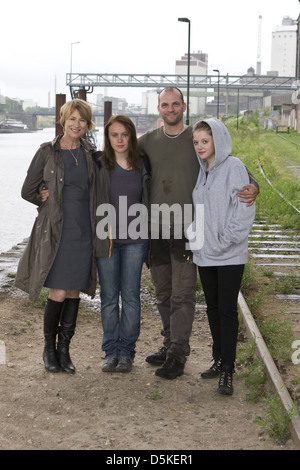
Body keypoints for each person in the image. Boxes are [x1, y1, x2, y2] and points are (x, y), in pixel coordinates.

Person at [138, 86, 258, 380]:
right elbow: (117, 159)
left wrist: (255, 185)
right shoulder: (147, 143)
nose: (170, 109)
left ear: (184, 106)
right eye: (165, 104)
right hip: (157, 231)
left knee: (183, 296)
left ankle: (179, 355)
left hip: (188, 236)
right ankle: (170, 346)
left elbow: (233, 170)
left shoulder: (200, 140)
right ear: (159, 109)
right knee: (164, 295)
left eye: (175, 104)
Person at [15, 99, 97, 374]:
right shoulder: (47, 152)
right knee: (59, 290)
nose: (76, 124)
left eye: (82, 120)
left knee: (74, 290)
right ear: (63, 120)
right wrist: (42, 196)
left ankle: (65, 351)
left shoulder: (90, 153)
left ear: (87, 125)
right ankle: (49, 349)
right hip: (56, 230)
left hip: (83, 230)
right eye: (72, 119)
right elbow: (27, 190)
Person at [187, 118, 256, 395]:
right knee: (212, 308)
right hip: (205, 254)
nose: (200, 146)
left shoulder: (235, 167)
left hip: (229, 255)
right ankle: (218, 358)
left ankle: (228, 369)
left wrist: (226, 240)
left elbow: (243, 210)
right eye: (196, 142)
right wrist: (196, 238)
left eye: (205, 141)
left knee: (227, 311)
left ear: (218, 139)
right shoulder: (203, 170)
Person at [93, 115, 150, 373]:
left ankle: (126, 352)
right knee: (107, 298)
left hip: (135, 240)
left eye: (124, 134)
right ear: (108, 138)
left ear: (131, 136)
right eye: (114, 135)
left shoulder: (142, 163)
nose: (119, 140)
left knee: (130, 296)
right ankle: (110, 351)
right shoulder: (99, 163)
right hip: (107, 240)